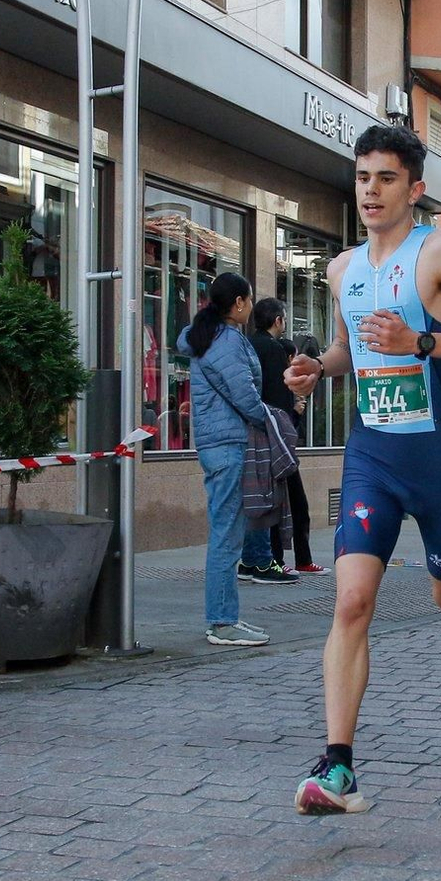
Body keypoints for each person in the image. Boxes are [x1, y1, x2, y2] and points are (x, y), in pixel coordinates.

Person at [283, 124, 441, 816]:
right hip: (372, 457)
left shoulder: (440, 252)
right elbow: (348, 346)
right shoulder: (341, 268)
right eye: (362, 178)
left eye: (385, 178)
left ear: (414, 188)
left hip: (438, 457)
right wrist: (316, 370)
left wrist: (423, 339)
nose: (370, 191)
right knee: (352, 601)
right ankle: (338, 769)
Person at [177, 272, 282, 647]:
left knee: (229, 534)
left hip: (220, 444)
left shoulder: (215, 338)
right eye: (249, 300)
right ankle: (221, 621)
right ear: (238, 303)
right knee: (226, 536)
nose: (251, 307)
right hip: (227, 446)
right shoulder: (225, 341)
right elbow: (244, 393)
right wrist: (268, 420)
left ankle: (227, 617)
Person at [245, 297, 317, 578]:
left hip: (253, 430)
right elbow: (280, 400)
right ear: (278, 321)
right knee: (283, 502)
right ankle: (271, 561)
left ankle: (263, 559)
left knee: (263, 501)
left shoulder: (249, 344)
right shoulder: (273, 350)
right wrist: (293, 417)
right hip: (272, 436)